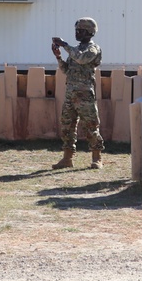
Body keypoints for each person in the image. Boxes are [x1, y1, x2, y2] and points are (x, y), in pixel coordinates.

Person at [51, 17, 105, 170]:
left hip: (85, 94)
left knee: (91, 126)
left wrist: (64, 45)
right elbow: (67, 70)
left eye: (80, 31)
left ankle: (97, 157)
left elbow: (81, 59)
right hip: (71, 93)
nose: (77, 33)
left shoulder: (92, 49)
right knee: (67, 126)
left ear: (89, 32)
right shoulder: (75, 50)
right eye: (76, 30)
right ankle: (67, 158)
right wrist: (59, 57)